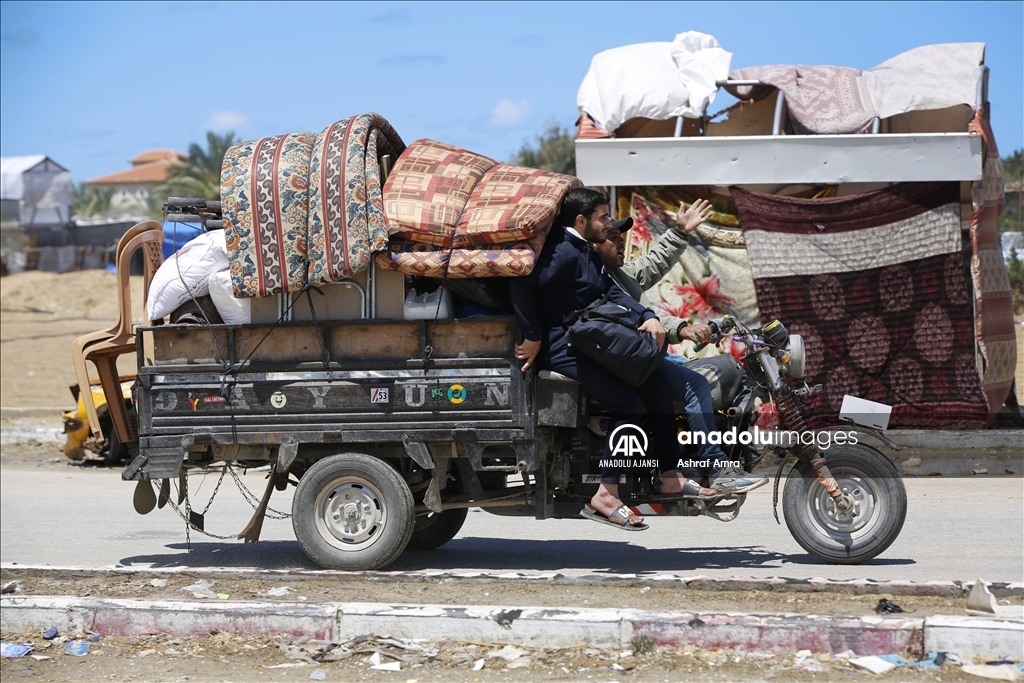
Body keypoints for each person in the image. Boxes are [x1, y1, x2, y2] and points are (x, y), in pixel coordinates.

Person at [510, 188, 717, 532]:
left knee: (657, 389)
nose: (609, 224)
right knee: (628, 405)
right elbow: (522, 285)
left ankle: (670, 476)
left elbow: (613, 291)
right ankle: (606, 493)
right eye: (604, 217)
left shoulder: (585, 251)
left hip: (589, 341)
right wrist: (532, 335)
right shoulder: (561, 251)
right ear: (581, 221)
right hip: (563, 345)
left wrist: (648, 314)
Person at [592, 200, 767, 493]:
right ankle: (715, 467)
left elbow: (652, 263)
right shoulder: (596, 281)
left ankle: (679, 467)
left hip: (640, 357)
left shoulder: (618, 275)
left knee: (701, 372)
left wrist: (679, 232)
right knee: (696, 385)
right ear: (594, 244)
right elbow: (637, 317)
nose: (621, 242)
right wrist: (682, 329)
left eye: (622, 237)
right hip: (623, 364)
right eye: (613, 238)